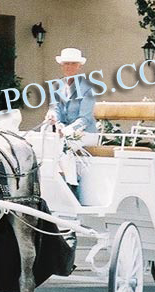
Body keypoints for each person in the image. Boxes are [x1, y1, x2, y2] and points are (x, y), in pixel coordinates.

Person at [45, 48, 98, 189]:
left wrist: (67, 131)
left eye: (73, 64)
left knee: (64, 147)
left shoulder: (88, 87)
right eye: (66, 64)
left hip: (86, 133)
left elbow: (85, 119)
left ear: (79, 66)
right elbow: (55, 109)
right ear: (61, 65)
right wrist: (54, 118)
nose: (69, 67)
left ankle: (72, 186)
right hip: (64, 132)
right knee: (46, 145)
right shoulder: (57, 86)